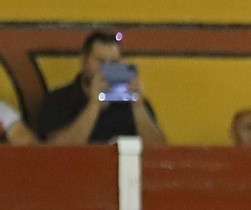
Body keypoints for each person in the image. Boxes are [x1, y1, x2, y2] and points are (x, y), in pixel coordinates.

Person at [37, 30, 165, 146]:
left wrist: (138, 106)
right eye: (101, 61)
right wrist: (93, 106)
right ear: (85, 61)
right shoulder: (59, 100)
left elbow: (160, 151)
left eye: (113, 63)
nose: (106, 69)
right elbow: (55, 151)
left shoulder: (132, 103)